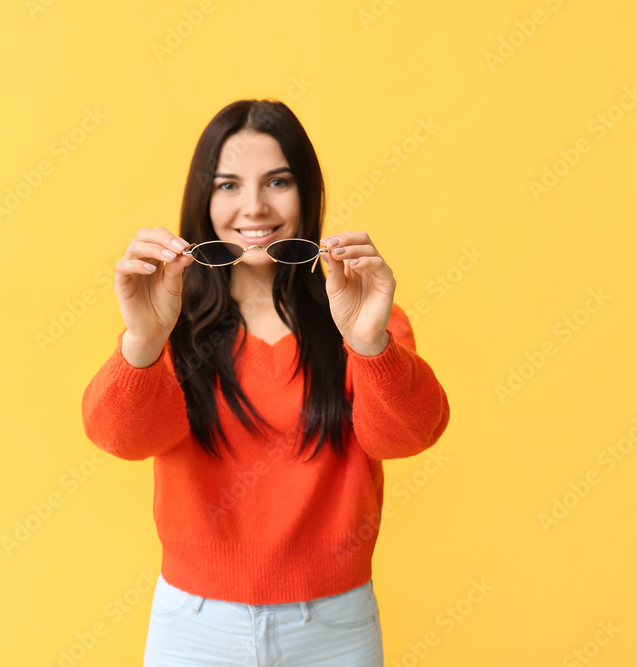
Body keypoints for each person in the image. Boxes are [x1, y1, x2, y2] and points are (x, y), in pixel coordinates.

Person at [81, 99, 450, 666]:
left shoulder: (356, 316)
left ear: (307, 193)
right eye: (228, 185)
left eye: (277, 181)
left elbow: (409, 436)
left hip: (334, 625)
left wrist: (369, 341)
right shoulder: (168, 322)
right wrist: (142, 342)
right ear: (203, 202)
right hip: (194, 626)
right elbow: (120, 440)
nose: (253, 207)